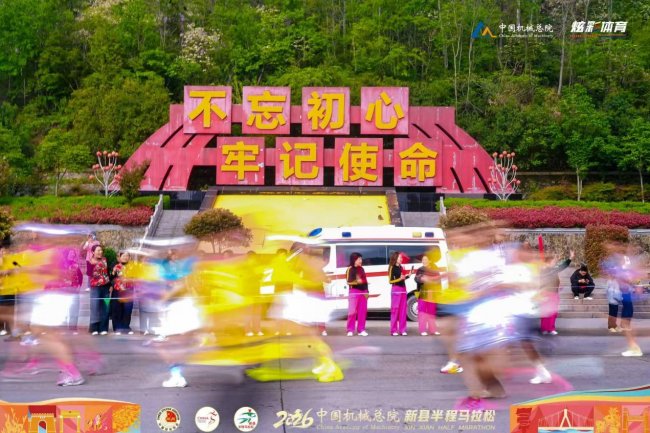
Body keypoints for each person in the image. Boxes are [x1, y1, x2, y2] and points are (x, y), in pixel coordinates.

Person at [539, 250, 574, 335]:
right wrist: (570, 258)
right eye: (554, 261)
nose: (555, 262)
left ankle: (550, 328)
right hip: (546, 293)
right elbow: (562, 266)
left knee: (553, 312)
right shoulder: (545, 269)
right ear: (549, 261)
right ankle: (545, 328)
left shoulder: (552, 269)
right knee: (546, 312)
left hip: (554, 293)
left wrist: (570, 258)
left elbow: (561, 267)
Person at [414, 252, 440, 336]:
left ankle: (433, 330)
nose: (424, 261)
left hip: (432, 293)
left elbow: (438, 280)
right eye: (423, 260)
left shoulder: (434, 269)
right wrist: (421, 279)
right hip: (422, 293)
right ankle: (422, 330)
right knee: (422, 312)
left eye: (425, 259)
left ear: (429, 261)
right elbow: (416, 279)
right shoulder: (420, 269)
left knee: (431, 311)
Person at [88, 245, 110, 335]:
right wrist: (92, 264)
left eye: (101, 250)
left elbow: (108, 272)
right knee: (95, 307)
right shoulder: (89, 261)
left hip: (106, 287)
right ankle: (94, 328)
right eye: (98, 250)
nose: (100, 252)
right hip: (95, 287)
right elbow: (89, 274)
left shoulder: (105, 260)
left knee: (106, 307)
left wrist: (110, 285)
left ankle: (103, 328)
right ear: (93, 252)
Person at [111, 251, 134, 335]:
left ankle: (126, 327)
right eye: (123, 256)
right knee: (117, 309)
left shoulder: (132, 267)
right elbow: (111, 277)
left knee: (128, 310)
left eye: (127, 256)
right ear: (119, 258)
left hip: (129, 290)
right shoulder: (116, 266)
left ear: (129, 257)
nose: (125, 257)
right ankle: (117, 328)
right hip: (118, 290)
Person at [345, 252, 369, 337]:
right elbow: (348, 282)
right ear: (354, 260)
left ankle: (361, 330)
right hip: (354, 291)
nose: (360, 261)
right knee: (352, 312)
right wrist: (356, 282)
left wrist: (367, 292)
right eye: (359, 259)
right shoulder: (350, 269)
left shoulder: (362, 269)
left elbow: (365, 281)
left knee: (362, 312)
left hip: (363, 292)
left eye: (361, 259)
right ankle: (350, 330)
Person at [388, 251, 411, 336]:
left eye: (401, 257)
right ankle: (393, 330)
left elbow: (402, 278)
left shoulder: (401, 267)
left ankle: (402, 330)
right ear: (395, 258)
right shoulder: (392, 267)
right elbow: (390, 281)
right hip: (396, 290)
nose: (401, 259)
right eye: (400, 257)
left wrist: (408, 276)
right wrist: (400, 279)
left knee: (403, 310)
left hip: (403, 289)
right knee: (395, 310)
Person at [63, 249, 83, 333]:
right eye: (71, 253)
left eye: (74, 254)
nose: (72, 255)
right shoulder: (63, 265)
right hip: (64, 289)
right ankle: (63, 327)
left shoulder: (76, 265)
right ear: (67, 254)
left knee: (74, 309)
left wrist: (79, 286)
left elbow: (80, 276)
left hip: (74, 289)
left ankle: (73, 327)